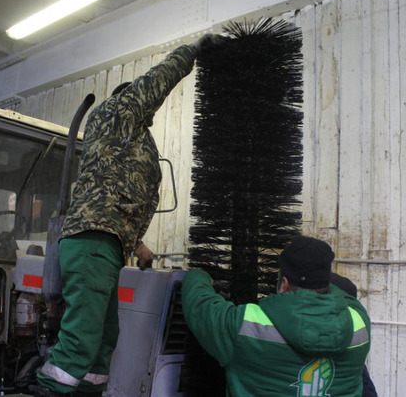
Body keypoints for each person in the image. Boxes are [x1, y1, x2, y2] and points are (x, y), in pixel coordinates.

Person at [34, 33, 225, 397]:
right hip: (92, 239)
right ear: (132, 98)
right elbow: (159, 80)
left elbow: (122, 193)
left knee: (106, 339)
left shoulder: (128, 140)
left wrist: (137, 244)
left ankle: (91, 392)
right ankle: (47, 389)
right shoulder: (118, 111)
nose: (150, 113)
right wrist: (193, 51)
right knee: (82, 338)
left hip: (107, 243)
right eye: (145, 106)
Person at [182, 235, 371, 396]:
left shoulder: (242, 326)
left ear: (285, 284)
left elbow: (199, 305)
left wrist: (198, 274)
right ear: (326, 283)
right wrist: (318, 276)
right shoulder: (359, 324)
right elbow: (346, 292)